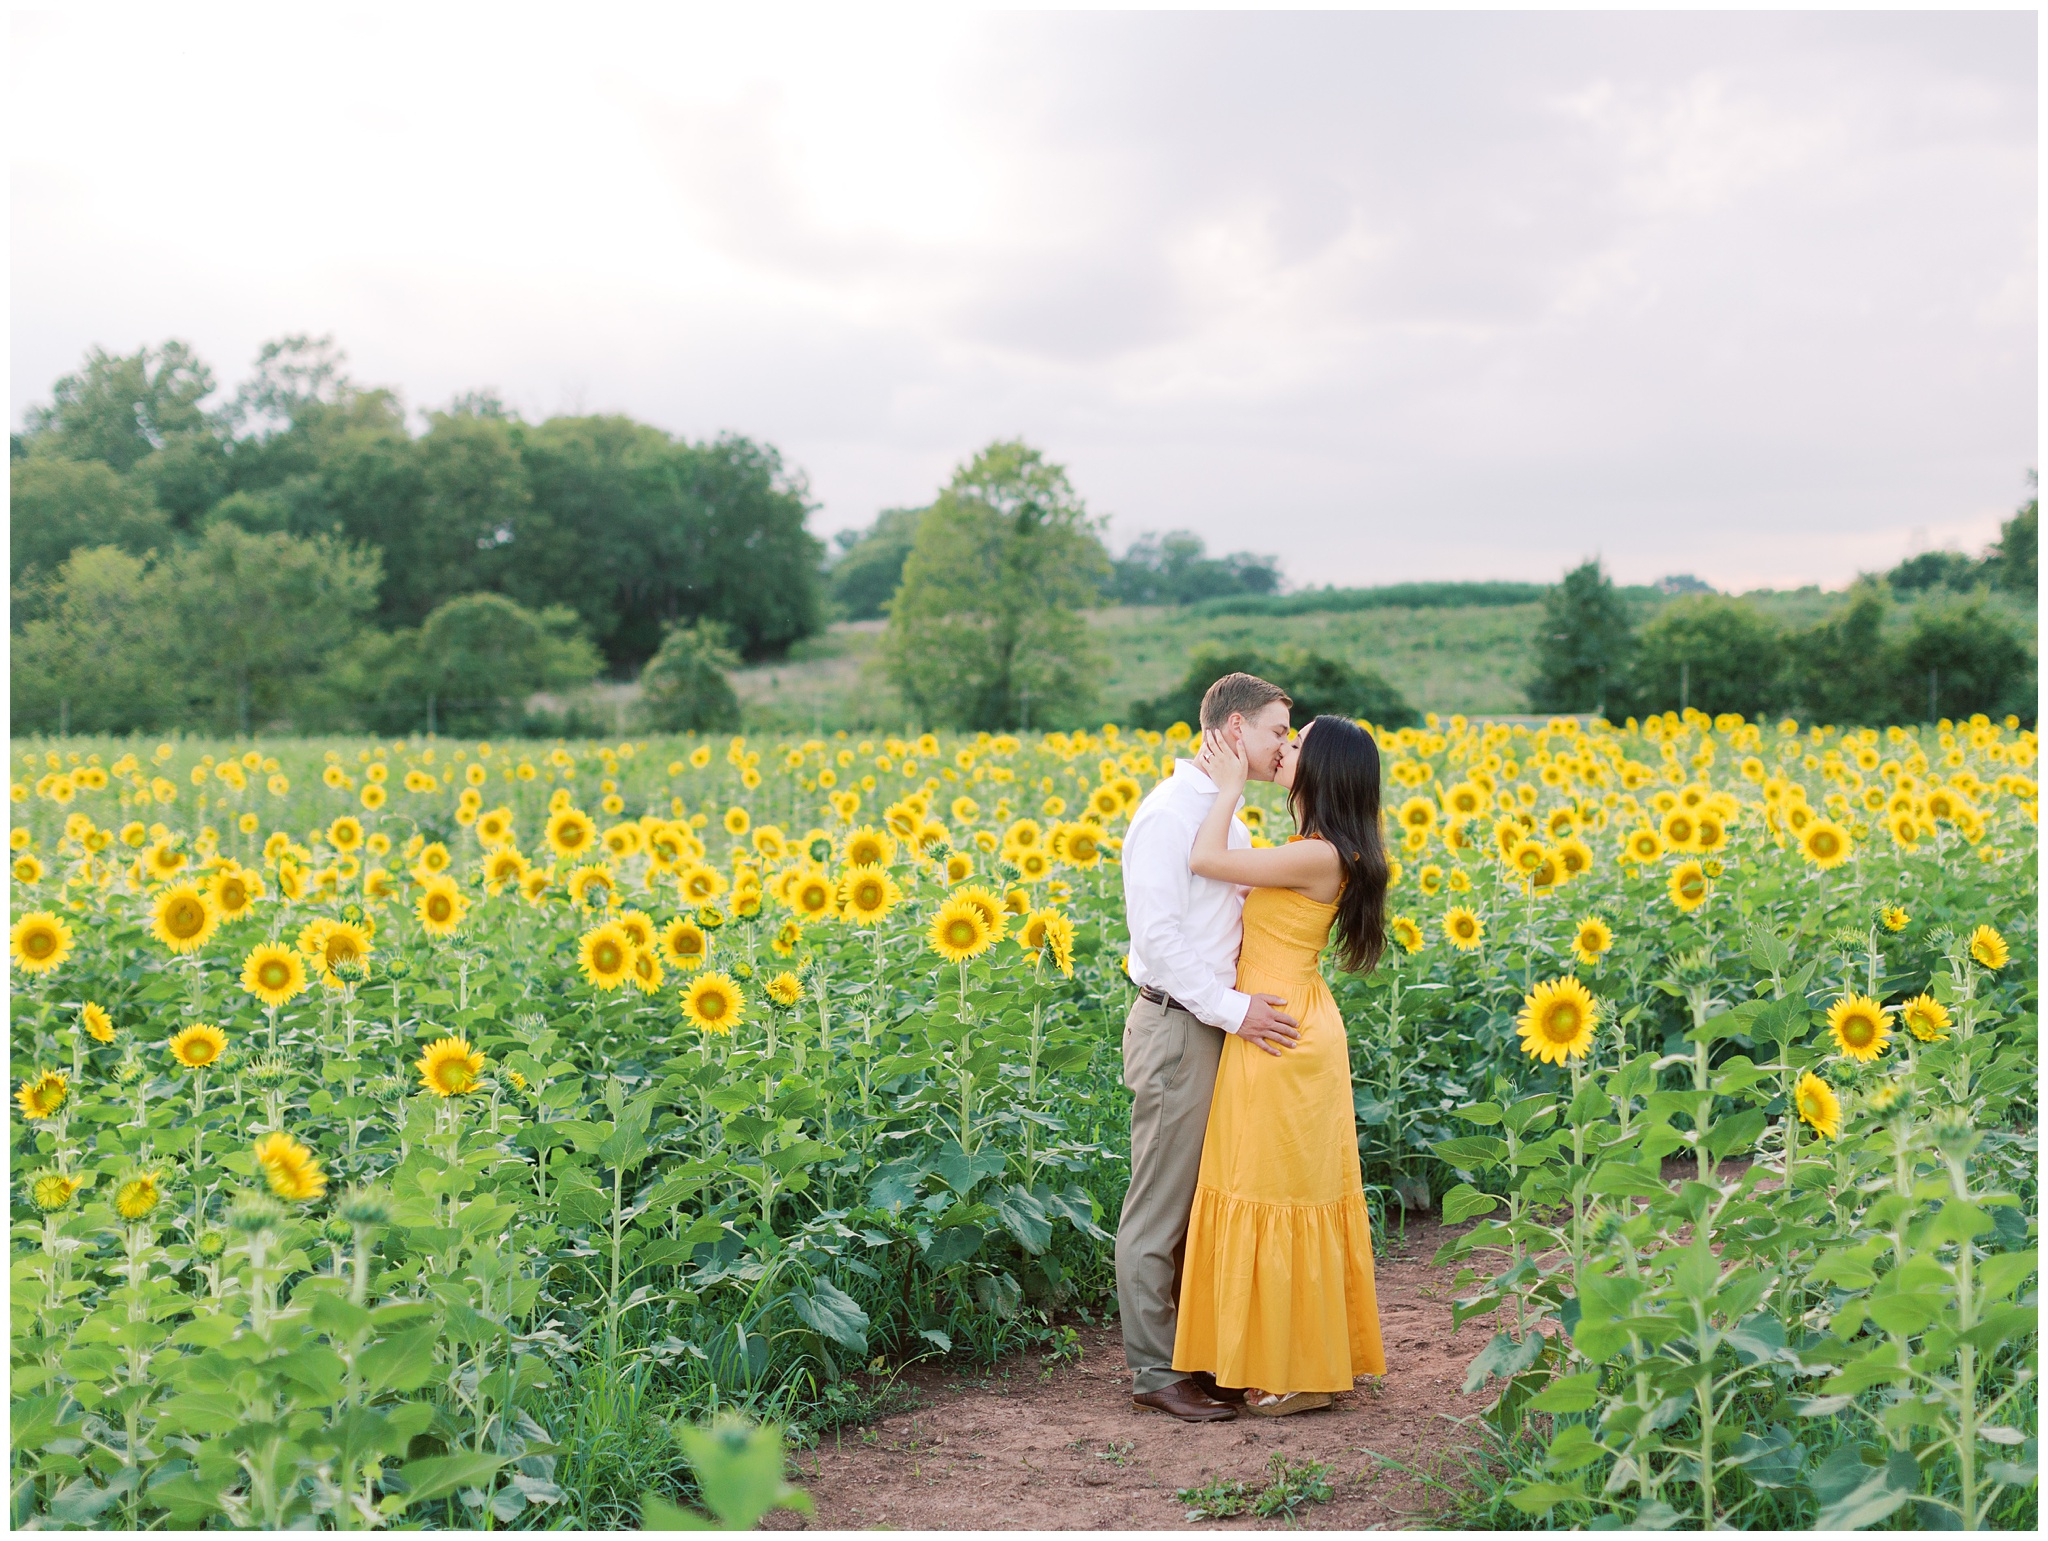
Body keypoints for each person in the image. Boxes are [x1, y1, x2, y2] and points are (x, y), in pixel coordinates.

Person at [1170, 712, 1390, 1415]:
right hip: (1278, 1022)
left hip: (1281, 1031)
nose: (1284, 749)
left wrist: (1229, 786)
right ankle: (1275, 1358)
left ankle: (1302, 1374)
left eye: (1297, 744)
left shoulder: (1319, 854)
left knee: (1275, 1189)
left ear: (1323, 769)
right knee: (1267, 1183)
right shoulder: (1316, 846)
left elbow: (1205, 858)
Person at [1116, 672, 1303, 1423]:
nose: (1284, 745)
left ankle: (1195, 1354)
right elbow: (1158, 939)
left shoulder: (1225, 815)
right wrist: (1235, 1009)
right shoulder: (1168, 815)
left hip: (1212, 1024)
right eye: (1276, 732)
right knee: (1161, 1203)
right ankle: (1154, 1369)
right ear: (1231, 729)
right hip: (1177, 1025)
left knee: (1205, 1199)